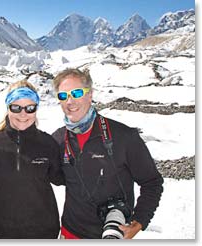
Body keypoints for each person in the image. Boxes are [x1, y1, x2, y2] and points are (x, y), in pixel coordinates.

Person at [51, 68, 164, 239]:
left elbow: (152, 182)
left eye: (76, 93)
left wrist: (139, 221)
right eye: (63, 96)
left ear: (90, 95)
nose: (70, 101)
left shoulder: (123, 137)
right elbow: (58, 177)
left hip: (111, 235)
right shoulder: (59, 139)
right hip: (69, 233)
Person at [0, 80, 64, 239]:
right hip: (4, 230)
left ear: (36, 109)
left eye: (30, 108)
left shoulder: (48, 143)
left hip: (44, 230)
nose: (23, 114)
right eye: (16, 107)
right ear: (8, 108)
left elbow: (61, 178)